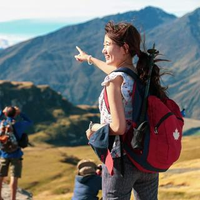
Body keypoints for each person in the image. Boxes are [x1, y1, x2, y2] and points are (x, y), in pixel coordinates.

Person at [75, 21, 169, 200]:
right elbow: (116, 70)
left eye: (107, 45)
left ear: (124, 48)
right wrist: (89, 58)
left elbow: (118, 128)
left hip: (121, 160)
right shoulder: (141, 76)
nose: (103, 50)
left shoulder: (113, 81)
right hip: (145, 155)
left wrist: (93, 128)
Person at [0, 106, 33, 200]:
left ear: (6, 113)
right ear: (15, 114)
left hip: (3, 153)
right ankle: (13, 198)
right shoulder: (19, 125)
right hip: (16, 154)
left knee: (1, 176)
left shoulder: (1, 124)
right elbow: (30, 121)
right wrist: (20, 113)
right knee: (14, 177)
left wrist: (2, 112)